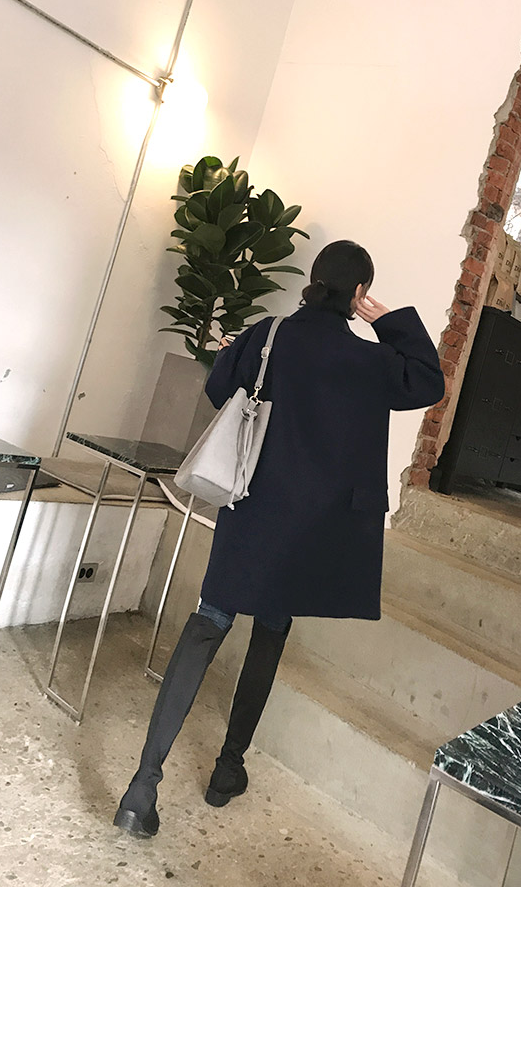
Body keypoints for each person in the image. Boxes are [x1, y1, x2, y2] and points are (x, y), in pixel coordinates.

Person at [114, 239, 445, 838]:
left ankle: (142, 788)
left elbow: (221, 391)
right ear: (359, 293)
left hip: (251, 510)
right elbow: (428, 382)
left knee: (206, 625)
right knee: (270, 632)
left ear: (313, 281)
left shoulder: (267, 336)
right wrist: (388, 321)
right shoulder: (370, 361)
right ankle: (227, 769)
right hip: (313, 529)